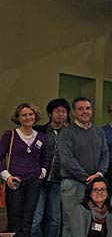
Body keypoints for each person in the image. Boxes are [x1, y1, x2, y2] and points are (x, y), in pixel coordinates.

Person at [58, 97, 109, 237]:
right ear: (74, 112)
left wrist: (99, 174)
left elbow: (105, 155)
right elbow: (67, 160)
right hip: (73, 185)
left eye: (88, 108)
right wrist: (87, 178)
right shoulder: (66, 133)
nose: (85, 111)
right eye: (81, 109)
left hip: (96, 185)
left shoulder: (99, 132)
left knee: (93, 225)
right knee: (71, 225)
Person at [1, 103, 48, 236]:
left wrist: (42, 172)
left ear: (35, 116)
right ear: (18, 118)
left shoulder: (41, 138)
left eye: (30, 114)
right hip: (15, 182)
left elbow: (45, 159)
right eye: (24, 115)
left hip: (34, 182)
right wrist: (7, 176)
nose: (28, 117)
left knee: (28, 222)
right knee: (14, 222)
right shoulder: (9, 135)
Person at [32, 98, 69, 237]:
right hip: (39, 180)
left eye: (64, 112)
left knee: (54, 219)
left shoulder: (69, 133)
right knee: (36, 218)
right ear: (50, 113)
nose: (61, 114)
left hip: (59, 181)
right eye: (57, 111)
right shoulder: (40, 131)